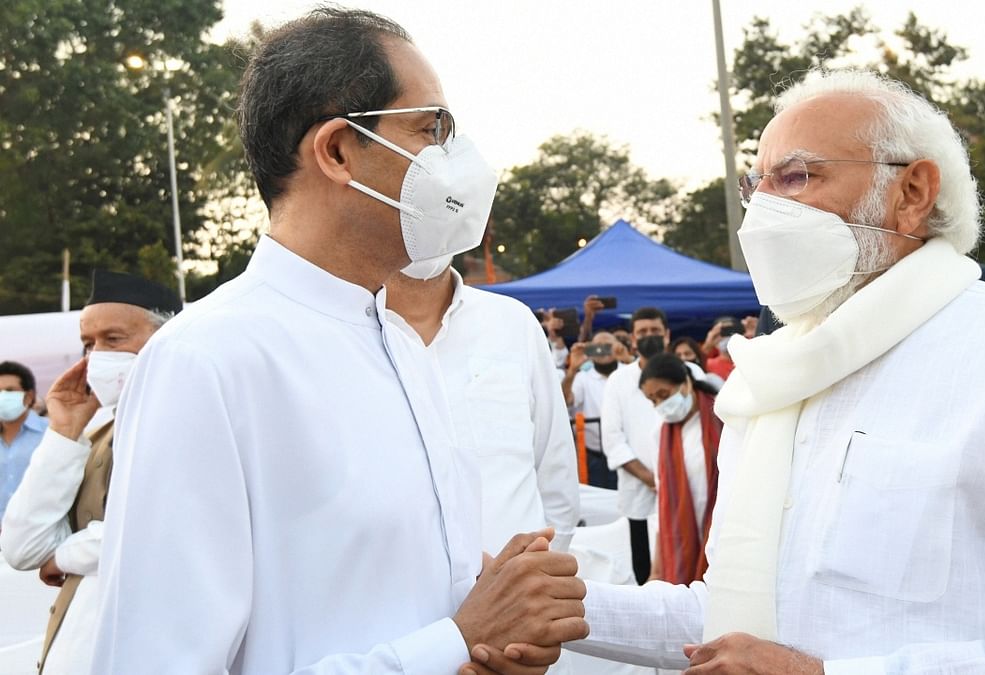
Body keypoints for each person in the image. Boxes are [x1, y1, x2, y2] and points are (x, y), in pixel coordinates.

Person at [548, 69, 985, 672]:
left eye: (797, 176)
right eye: (758, 185)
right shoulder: (772, 378)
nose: (764, 211)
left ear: (911, 193)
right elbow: (734, 617)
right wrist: (540, 604)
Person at [90, 10, 585, 674]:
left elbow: (419, 608)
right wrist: (455, 642)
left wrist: (496, 637)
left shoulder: (398, 345)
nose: (454, 159)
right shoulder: (208, 360)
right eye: (431, 129)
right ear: (337, 151)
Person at [1, 270, 179, 675]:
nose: (96, 355)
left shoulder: (190, 420)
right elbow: (23, 546)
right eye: (88, 344)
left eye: (113, 339)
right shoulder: (98, 429)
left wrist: (65, 555)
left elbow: (154, 526)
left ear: (167, 340)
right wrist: (65, 429)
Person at [382, 262, 580, 556]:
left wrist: (536, 569)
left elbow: (555, 463)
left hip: (522, 588)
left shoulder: (513, 322)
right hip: (394, 593)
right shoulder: (341, 329)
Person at [601, 307, 672, 585]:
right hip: (639, 494)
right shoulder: (619, 380)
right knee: (645, 572)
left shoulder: (689, 372)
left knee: (687, 569)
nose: (649, 336)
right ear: (632, 339)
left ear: (667, 335)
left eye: (655, 331)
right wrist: (652, 479)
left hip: (685, 491)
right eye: (642, 332)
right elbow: (613, 440)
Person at [638, 354, 720, 585]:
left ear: (685, 382)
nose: (660, 405)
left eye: (663, 395)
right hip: (686, 539)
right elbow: (663, 499)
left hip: (724, 536)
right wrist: (656, 569)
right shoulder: (661, 435)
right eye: (652, 400)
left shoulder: (724, 417)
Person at [563, 331, 633, 490]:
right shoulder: (582, 377)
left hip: (630, 452)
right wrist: (572, 370)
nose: (602, 351)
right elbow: (566, 400)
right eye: (598, 347)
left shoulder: (629, 371)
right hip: (594, 457)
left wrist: (628, 359)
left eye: (608, 346)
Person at [0, 361, 47, 525]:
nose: (2, 397)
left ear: (29, 396)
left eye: (9, 391)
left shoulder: (51, 433)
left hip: (37, 538)